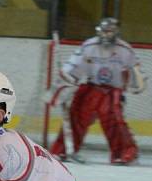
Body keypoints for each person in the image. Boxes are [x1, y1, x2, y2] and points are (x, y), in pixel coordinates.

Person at [50, 17, 146, 164]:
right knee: (76, 116)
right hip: (91, 87)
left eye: (110, 31)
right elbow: (73, 66)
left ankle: (124, 153)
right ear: (99, 31)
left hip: (113, 90)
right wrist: (66, 78)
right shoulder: (89, 46)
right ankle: (62, 151)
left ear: (116, 32)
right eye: (104, 31)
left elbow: (135, 68)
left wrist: (139, 84)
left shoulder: (124, 49)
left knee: (115, 121)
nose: (107, 35)